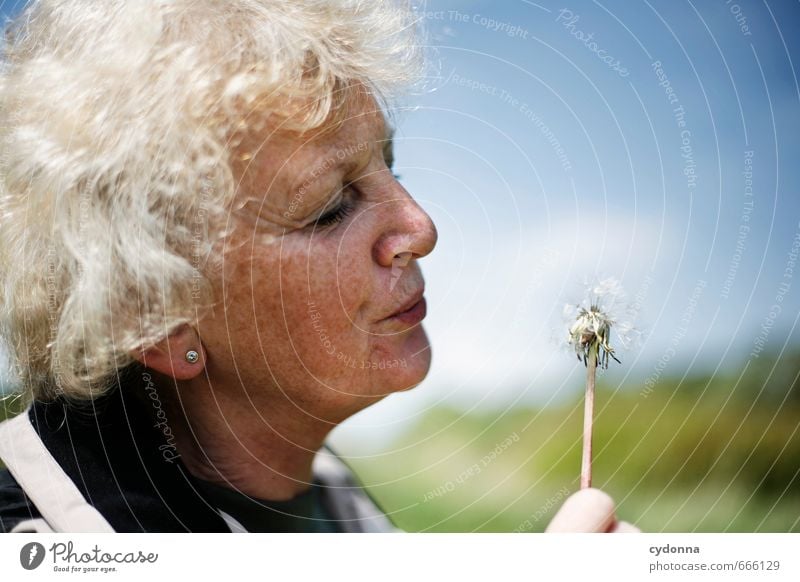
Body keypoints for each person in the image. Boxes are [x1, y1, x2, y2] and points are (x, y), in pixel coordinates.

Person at [0, 0, 635, 533]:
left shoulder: (335, 501)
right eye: (330, 208)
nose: (420, 229)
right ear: (153, 317)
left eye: (393, 166)